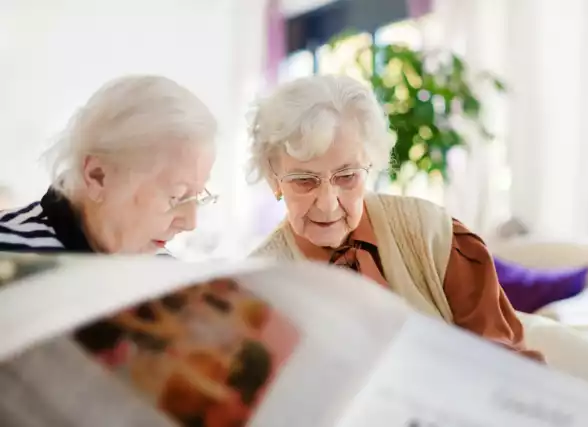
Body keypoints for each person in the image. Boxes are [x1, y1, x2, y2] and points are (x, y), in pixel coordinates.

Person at [248, 74, 543, 361]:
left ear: (371, 166)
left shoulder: (432, 234)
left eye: (347, 176)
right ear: (274, 180)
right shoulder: (256, 287)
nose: (327, 204)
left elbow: (509, 370)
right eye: (304, 180)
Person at [0, 75, 218, 254]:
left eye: (198, 196)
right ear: (97, 176)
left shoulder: (162, 272)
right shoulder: (11, 251)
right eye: (176, 197)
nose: (190, 223)